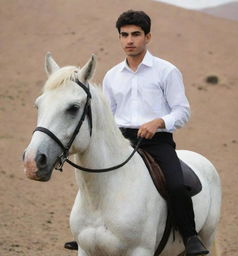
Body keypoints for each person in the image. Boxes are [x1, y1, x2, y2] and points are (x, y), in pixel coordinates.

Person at [65, 10, 209, 255]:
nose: (129, 40)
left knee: (175, 184)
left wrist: (159, 122)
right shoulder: (112, 76)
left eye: (135, 34)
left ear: (148, 37)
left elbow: (182, 111)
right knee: (94, 182)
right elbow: (107, 116)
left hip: (157, 142)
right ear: (119, 38)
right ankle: (87, 234)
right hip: (120, 140)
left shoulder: (166, 71)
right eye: (124, 35)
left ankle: (190, 236)